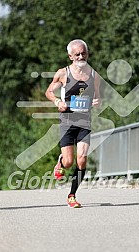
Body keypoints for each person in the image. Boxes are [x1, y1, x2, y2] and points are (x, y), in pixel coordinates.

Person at [45, 39, 100, 208]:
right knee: (69, 162)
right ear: (70, 56)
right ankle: (61, 162)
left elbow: (98, 97)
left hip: (84, 121)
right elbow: (48, 92)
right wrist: (57, 102)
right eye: (77, 54)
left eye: (84, 53)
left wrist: (96, 102)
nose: (81, 56)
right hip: (67, 121)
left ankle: (72, 195)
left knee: (82, 159)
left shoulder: (94, 75)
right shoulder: (63, 73)